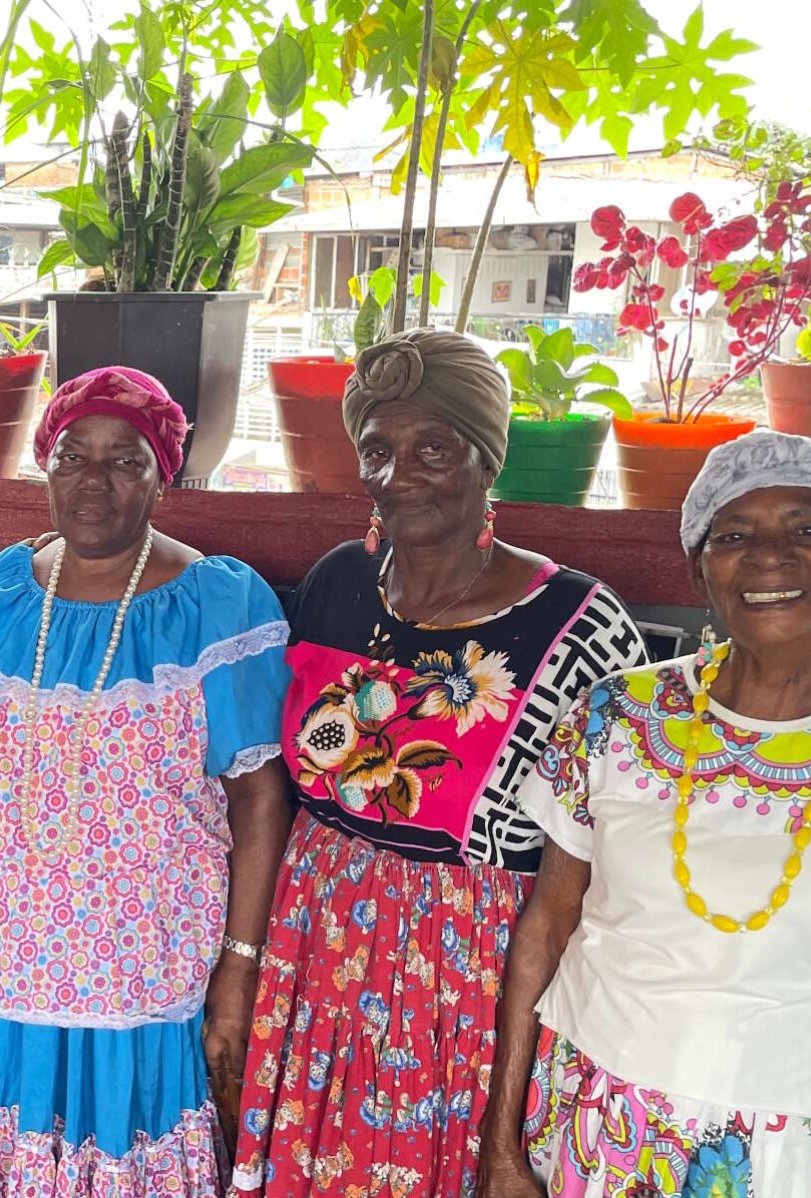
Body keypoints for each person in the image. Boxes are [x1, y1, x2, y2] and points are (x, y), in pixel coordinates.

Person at [231, 329, 648, 1198]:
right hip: (314, 950)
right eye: (377, 451)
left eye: (434, 448)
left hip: (462, 980)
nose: (398, 474)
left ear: (487, 459)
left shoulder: (578, 626)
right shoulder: (339, 583)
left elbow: (597, 871)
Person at [481, 431, 811, 1198]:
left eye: (810, 530)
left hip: (796, 1138)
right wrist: (500, 1150)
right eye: (733, 535)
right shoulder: (616, 713)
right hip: (595, 1111)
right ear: (698, 569)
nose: (769, 555)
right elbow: (545, 929)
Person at [0, 366, 295, 1196]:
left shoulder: (216, 605)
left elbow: (261, 799)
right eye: (72, 456)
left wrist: (240, 966)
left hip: (144, 969)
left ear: (164, 474)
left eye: (124, 462)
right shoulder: (6, 588)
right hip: (5, 964)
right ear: (45, 464)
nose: (93, 483)